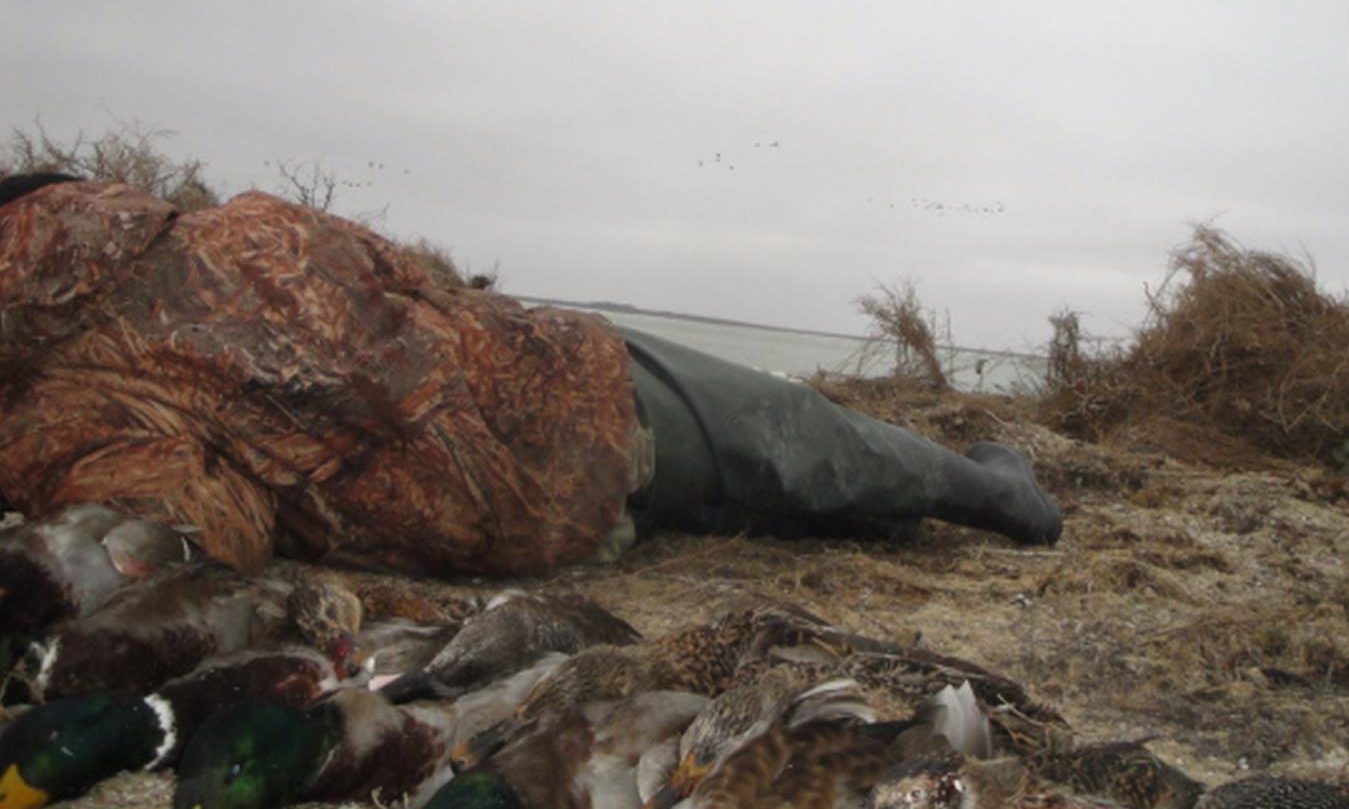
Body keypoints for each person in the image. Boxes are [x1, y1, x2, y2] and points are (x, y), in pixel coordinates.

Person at [0, 173, 1061, 577]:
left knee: (771, 489)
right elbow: (405, 278)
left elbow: (199, 529)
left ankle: (913, 513)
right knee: (803, 436)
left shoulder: (61, 415)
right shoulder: (237, 226)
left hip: (517, 512)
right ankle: (1004, 498)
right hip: (567, 390)